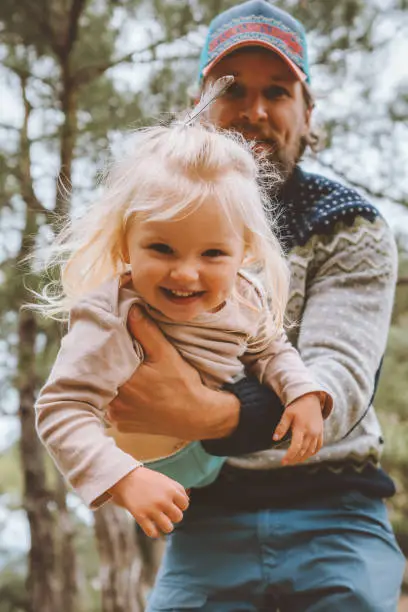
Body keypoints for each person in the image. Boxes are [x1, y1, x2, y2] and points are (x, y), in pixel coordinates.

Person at [107, 1, 406, 610]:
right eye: (231, 89)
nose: (256, 110)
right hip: (202, 515)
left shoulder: (350, 225)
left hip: (336, 509)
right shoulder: (147, 226)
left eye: (278, 91)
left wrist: (202, 413)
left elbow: (337, 383)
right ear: (199, 107)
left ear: (307, 112)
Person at [34, 117, 332, 538]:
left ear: (244, 251)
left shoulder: (245, 295)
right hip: (153, 465)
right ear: (125, 245)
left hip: (216, 452)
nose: (186, 274)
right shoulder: (109, 315)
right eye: (161, 248)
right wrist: (125, 478)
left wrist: (301, 391)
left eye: (212, 253)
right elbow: (61, 409)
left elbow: (270, 349)